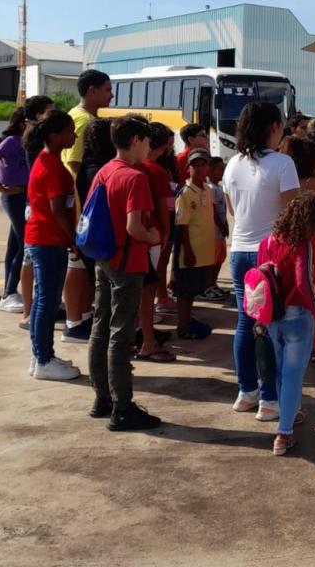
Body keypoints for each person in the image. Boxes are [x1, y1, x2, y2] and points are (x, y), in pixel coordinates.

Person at [222, 102, 299, 421]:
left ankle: (247, 392)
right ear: (271, 127)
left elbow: (231, 211)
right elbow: (293, 214)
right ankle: (270, 399)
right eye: (280, 125)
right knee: (269, 325)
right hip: (270, 254)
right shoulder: (283, 163)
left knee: (245, 322)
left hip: (239, 251)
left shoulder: (232, 165)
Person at [86, 114, 162, 431]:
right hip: (128, 261)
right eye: (146, 141)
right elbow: (134, 226)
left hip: (103, 257)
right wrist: (153, 237)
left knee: (101, 326)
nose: (148, 148)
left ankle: (102, 398)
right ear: (135, 141)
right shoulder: (135, 178)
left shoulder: (104, 171)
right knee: (122, 333)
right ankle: (123, 407)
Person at [257, 192, 315, 456]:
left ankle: (289, 417)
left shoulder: (268, 241)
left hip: (272, 316)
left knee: (281, 371)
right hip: (298, 316)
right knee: (293, 374)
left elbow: (259, 280)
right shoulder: (305, 244)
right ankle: (283, 433)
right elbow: (305, 284)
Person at [24, 110, 81, 381]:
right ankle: (44, 358)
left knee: (43, 301)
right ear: (54, 135)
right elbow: (58, 210)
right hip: (49, 240)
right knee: (47, 301)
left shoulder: (46, 161)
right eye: (70, 131)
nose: (75, 135)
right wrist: (72, 240)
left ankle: (40, 356)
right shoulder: (52, 167)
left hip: (43, 238)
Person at [60, 69, 113, 343]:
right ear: (91, 90)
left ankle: (81, 315)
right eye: (107, 89)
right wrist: (80, 215)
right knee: (77, 264)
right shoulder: (80, 120)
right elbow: (73, 168)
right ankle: (73, 321)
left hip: (85, 208)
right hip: (81, 209)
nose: (111, 94)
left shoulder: (89, 118)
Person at [136, 122, 176, 362]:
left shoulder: (134, 166)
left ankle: (141, 333)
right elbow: (165, 206)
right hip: (153, 236)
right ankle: (147, 340)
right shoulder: (158, 171)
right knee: (147, 288)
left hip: (138, 237)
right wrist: (167, 233)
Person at [18, 96, 55, 327]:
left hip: (32, 205)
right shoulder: (37, 140)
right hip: (36, 207)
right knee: (30, 260)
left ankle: (28, 310)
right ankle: (28, 312)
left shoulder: (33, 135)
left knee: (28, 259)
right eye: (50, 111)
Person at [173, 150, 215, 339]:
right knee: (185, 292)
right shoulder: (185, 193)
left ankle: (188, 321)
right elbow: (181, 226)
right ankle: (182, 326)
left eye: (202, 164)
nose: (199, 168)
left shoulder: (206, 189)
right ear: (187, 168)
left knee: (193, 290)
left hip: (203, 252)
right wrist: (187, 251)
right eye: (194, 165)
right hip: (190, 253)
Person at [0, 108, 29, 314]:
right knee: (24, 244)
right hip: (14, 196)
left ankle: (8, 293)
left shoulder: (26, 142)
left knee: (14, 244)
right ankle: (9, 291)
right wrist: (2, 187)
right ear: (21, 124)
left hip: (23, 195)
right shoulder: (11, 141)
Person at [204, 155, 230, 300]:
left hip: (220, 231)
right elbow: (212, 211)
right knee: (212, 260)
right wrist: (222, 226)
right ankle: (208, 286)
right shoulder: (210, 188)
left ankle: (214, 284)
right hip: (213, 231)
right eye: (220, 169)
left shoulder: (218, 187)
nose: (223, 172)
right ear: (211, 170)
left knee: (220, 258)